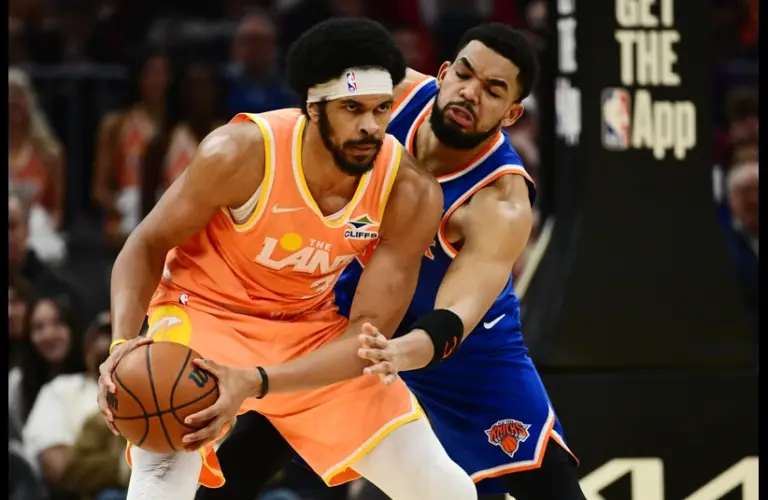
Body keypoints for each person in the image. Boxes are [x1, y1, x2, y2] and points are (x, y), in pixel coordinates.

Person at [203, 23, 587, 500]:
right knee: (250, 450)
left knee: (552, 487)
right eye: (464, 75)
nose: (470, 94)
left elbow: (452, 320)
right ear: (443, 73)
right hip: (358, 312)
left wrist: (399, 352)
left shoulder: (499, 202)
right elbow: (323, 67)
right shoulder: (387, 96)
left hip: (466, 355)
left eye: (492, 90)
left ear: (511, 113)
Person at [98, 18, 476, 500]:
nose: (371, 126)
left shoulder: (410, 192)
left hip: (307, 328)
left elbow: (366, 332)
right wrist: (121, 346)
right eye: (352, 108)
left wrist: (255, 382)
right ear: (314, 108)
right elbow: (145, 245)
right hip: (203, 316)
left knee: (447, 490)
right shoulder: (239, 153)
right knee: (161, 480)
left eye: (382, 109)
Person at [92, 50, 171, 249]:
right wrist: (119, 209)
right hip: (129, 207)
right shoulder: (116, 125)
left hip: (171, 207)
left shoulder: (179, 128)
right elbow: (99, 190)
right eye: (152, 73)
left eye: (163, 73)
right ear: (139, 77)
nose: (158, 80)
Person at [141, 61, 224, 217]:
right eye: (194, 87)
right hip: (176, 235)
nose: (200, 93)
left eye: (206, 86)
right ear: (182, 93)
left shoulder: (233, 138)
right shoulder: (162, 144)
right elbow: (146, 210)